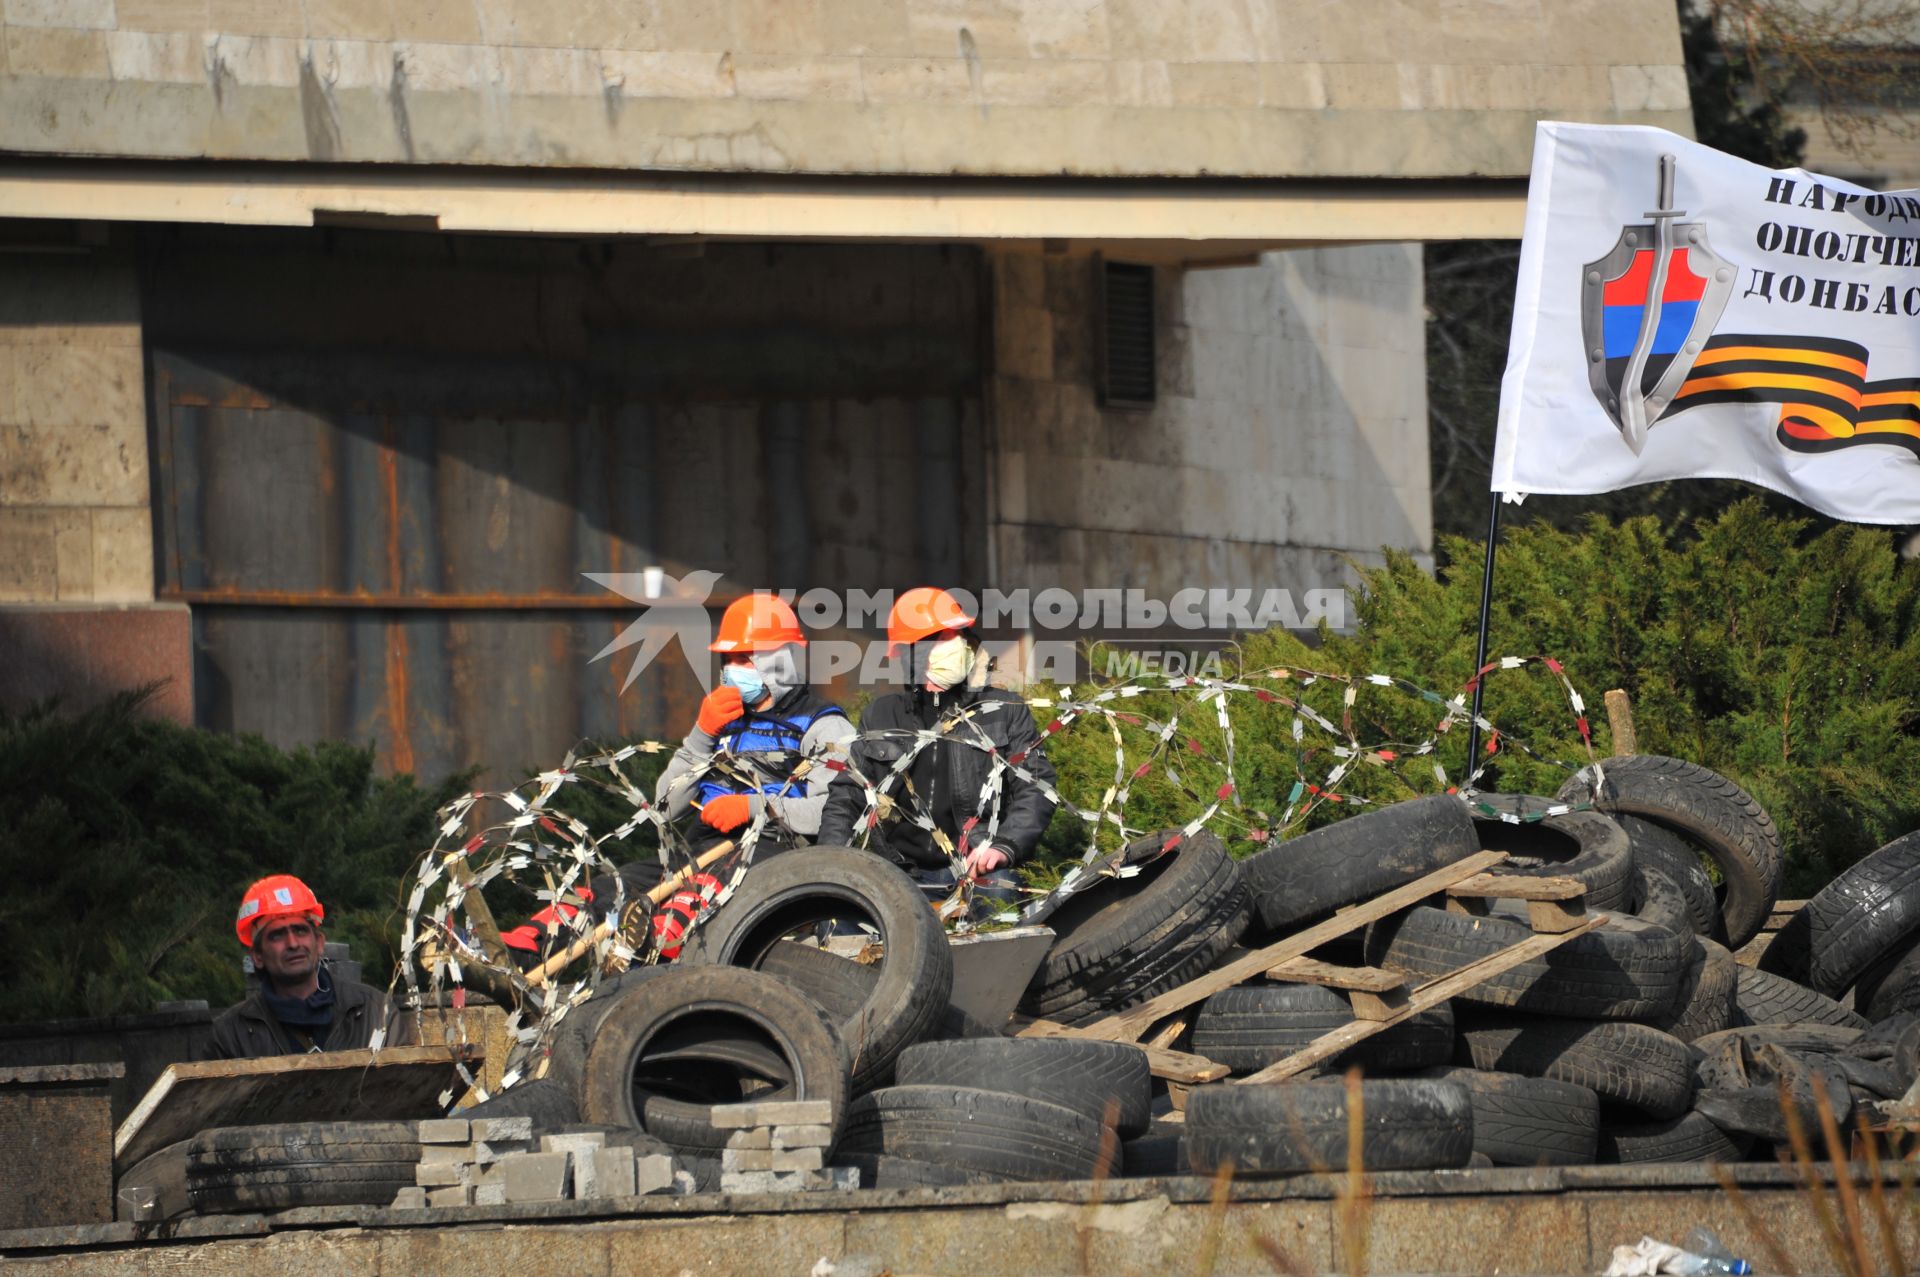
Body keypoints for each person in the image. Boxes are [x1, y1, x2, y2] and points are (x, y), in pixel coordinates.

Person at [817, 587, 1058, 905]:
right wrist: (829, 867)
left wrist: (1004, 846)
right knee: (838, 913)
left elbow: (1035, 786)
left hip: (976, 869)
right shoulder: (881, 715)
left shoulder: (1004, 710)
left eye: (952, 636)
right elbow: (846, 797)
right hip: (900, 873)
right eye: (932, 641)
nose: (946, 647)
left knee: (999, 891)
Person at [655, 592, 855, 857]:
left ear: (777, 662)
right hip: (701, 850)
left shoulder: (823, 725)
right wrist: (701, 735)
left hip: (774, 854)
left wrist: (754, 807)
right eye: (728, 660)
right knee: (608, 889)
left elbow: (835, 813)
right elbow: (664, 808)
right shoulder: (721, 721)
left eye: (743, 660)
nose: (730, 670)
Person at [210, 875, 407, 1059]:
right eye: (277, 935)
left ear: (319, 943)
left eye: (300, 930)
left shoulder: (376, 1012)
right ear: (257, 956)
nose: (293, 943)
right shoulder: (231, 1034)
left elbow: (406, 1088)